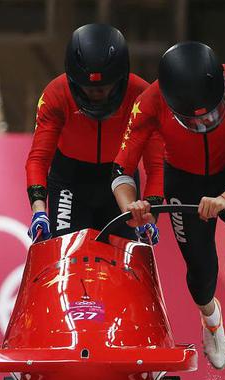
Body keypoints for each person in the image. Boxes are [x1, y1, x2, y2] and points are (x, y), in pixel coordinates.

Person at [111, 41, 225, 369]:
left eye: (213, 116)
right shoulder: (148, 103)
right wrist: (130, 207)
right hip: (184, 181)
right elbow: (121, 167)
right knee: (202, 269)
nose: (203, 125)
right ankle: (211, 319)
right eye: (193, 121)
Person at [25, 23, 163, 243]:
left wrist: (150, 216)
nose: (97, 96)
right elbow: (38, 159)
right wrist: (38, 210)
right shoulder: (55, 95)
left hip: (120, 181)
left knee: (123, 261)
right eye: (88, 90)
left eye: (104, 88)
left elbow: (156, 165)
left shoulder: (143, 96)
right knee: (69, 254)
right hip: (69, 181)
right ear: (73, 80)